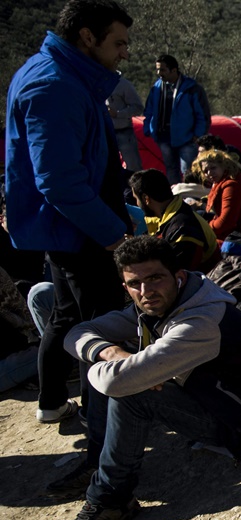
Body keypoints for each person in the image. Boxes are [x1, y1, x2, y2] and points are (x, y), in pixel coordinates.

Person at [51, 236, 241, 520]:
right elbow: (76, 333)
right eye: (135, 284)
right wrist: (111, 351)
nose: (146, 291)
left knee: (130, 389)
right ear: (125, 287)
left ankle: (111, 500)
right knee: (107, 356)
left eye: (155, 278)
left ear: (179, 277)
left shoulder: (200, 320)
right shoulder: (151, 306)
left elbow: (119, 383)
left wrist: (125, 368)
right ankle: (98, 464)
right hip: (212, 396)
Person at [5, 0, 133, 431]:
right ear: (86, 37)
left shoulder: (65, 74)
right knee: (99, 326)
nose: (124, 53)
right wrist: (114, 236)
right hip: (80, 229)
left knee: (66, 315)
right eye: (118, 42)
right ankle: (103, 422)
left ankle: (52, 402)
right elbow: (59, 182)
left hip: (70, 228)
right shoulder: (52, 85)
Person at [128, 169, 220, 273]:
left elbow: (180, 275)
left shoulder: (182, 228)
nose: (136, 203)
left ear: (146, 198)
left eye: (136, 198)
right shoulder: (167, 214)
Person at [142, 54, 211, 185]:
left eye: (162, 70)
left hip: (186, 139)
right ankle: (175, 198)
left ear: (174, 70)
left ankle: (191, 199)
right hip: (164, 138)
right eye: (157, 69)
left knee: (189, 171)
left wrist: (198, 135)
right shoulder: (157, 88)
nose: (159, 73)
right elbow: (149, 110)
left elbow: (202, 114)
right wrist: (149, 129)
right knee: (171, 170)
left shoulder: (191, 88)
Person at [196, 149, 241, 242]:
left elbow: (226, 222)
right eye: (205, 171)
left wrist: (205, 231)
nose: (209, 173)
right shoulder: (222, 181)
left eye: (213, 168)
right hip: (238, 231)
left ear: (223, 166)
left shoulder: (232, 185)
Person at [107, 72, 143, 171]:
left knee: (133, 166)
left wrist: (118, 114)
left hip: (123, 131)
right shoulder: (94, 83)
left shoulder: (123, 84)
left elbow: (137, 107)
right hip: (104, 134)